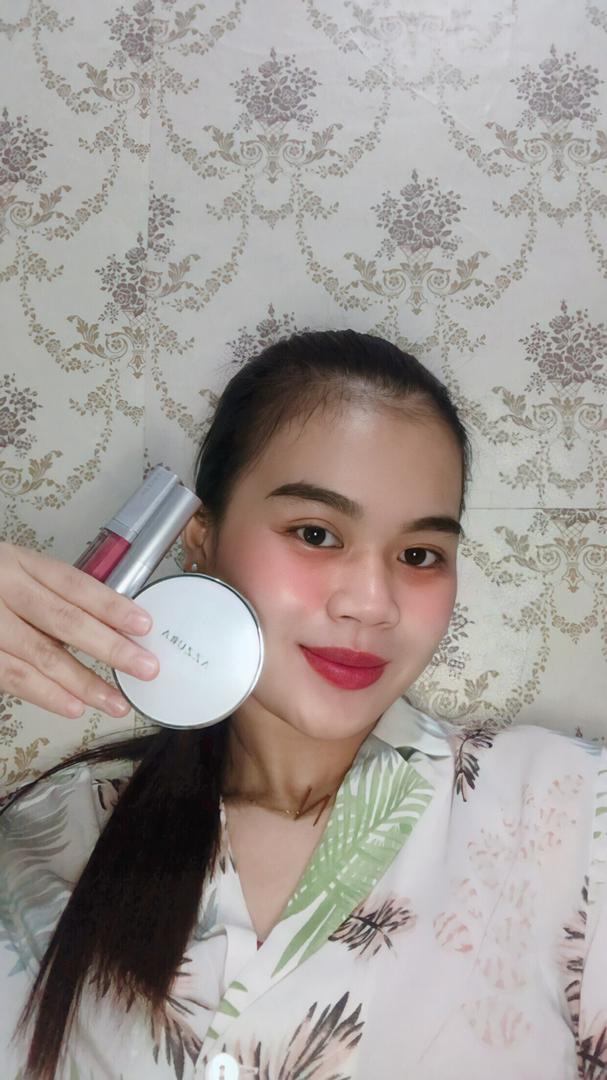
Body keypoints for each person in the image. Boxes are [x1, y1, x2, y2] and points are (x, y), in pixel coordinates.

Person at [0, 329, 605, 1080]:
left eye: (419, 555)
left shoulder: (571, 815)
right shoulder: (47, 838)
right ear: (201, 541)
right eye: (316, 534)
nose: (372, 603)